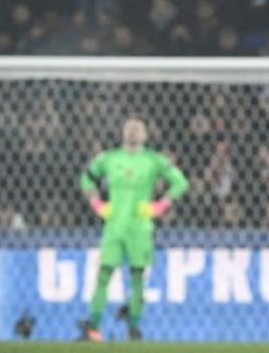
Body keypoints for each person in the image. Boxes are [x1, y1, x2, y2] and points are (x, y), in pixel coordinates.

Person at [78, 117, 188, 341]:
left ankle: (134, 329)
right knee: (104, 275)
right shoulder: (109, 158)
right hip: (114, 227)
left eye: (139, 128)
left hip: (140, 228)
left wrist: (160, 205)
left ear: (146, 135)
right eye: (130, 127)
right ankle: (92, 327)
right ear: (122, 132)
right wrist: (97, 203)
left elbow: (180, 182)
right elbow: (86, 179)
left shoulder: (154, 160)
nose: (134, 131)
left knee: (137, 278)